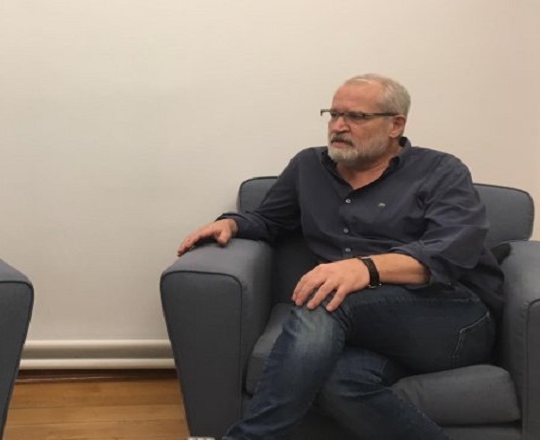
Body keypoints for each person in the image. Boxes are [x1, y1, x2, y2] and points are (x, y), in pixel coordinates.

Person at [177, 74, 501, 440]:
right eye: (333, 114)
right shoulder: (308, 166)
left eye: (356, 117)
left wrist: (364, 269)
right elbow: (270, 220)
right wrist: (232, 224)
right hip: (365, 325)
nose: (339, 126)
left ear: (396, 125)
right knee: (335, 381)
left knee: (325, 296)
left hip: (451, 319)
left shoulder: (441, 170)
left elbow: (451, 250)